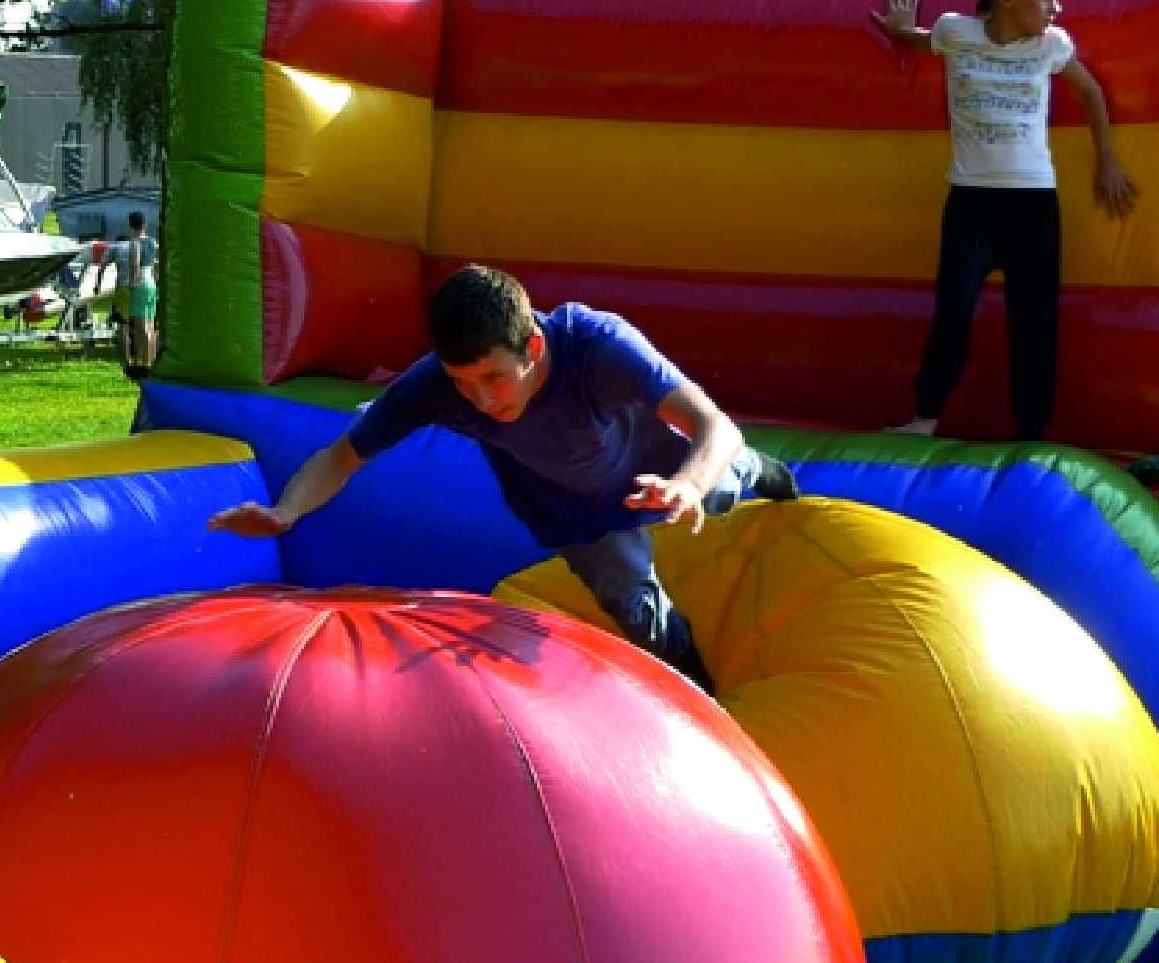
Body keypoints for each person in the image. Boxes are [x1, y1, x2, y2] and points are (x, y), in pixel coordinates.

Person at [204, 264, 791, 679]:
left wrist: (688, 483)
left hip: (657, 467)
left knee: (723, 484)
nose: (482, 401)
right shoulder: (436, 387)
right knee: (643, 619)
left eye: (494, 379)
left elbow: (715, 425)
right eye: (464, 384)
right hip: (572, 511)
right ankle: (707, 696)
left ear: (534, 347)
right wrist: (287, 511)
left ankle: (762, 475)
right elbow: (343, 456)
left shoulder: (598, 346)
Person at [868, 0, 1137, 441]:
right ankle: (925, 417)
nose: (1056, 9)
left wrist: (1107, 161)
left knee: (1033, 320)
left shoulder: (1051, 46)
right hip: (971, 200)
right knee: (954, 308)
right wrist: (901, 30)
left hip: (1032, 202)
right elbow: (924, 42)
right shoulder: (957, 33)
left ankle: (1030, 430)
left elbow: (1090, 91)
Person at [111, 211, 160, 373]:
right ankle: (150, 358)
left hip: (140, 284)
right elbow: (156, 265)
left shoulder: (135, 243)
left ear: (130, 225)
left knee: (141, 326)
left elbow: (135, 263)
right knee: (151, 325)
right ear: (144, 224)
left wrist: (132, 282)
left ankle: (143, 363)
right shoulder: (153, 242)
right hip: (152, 284)